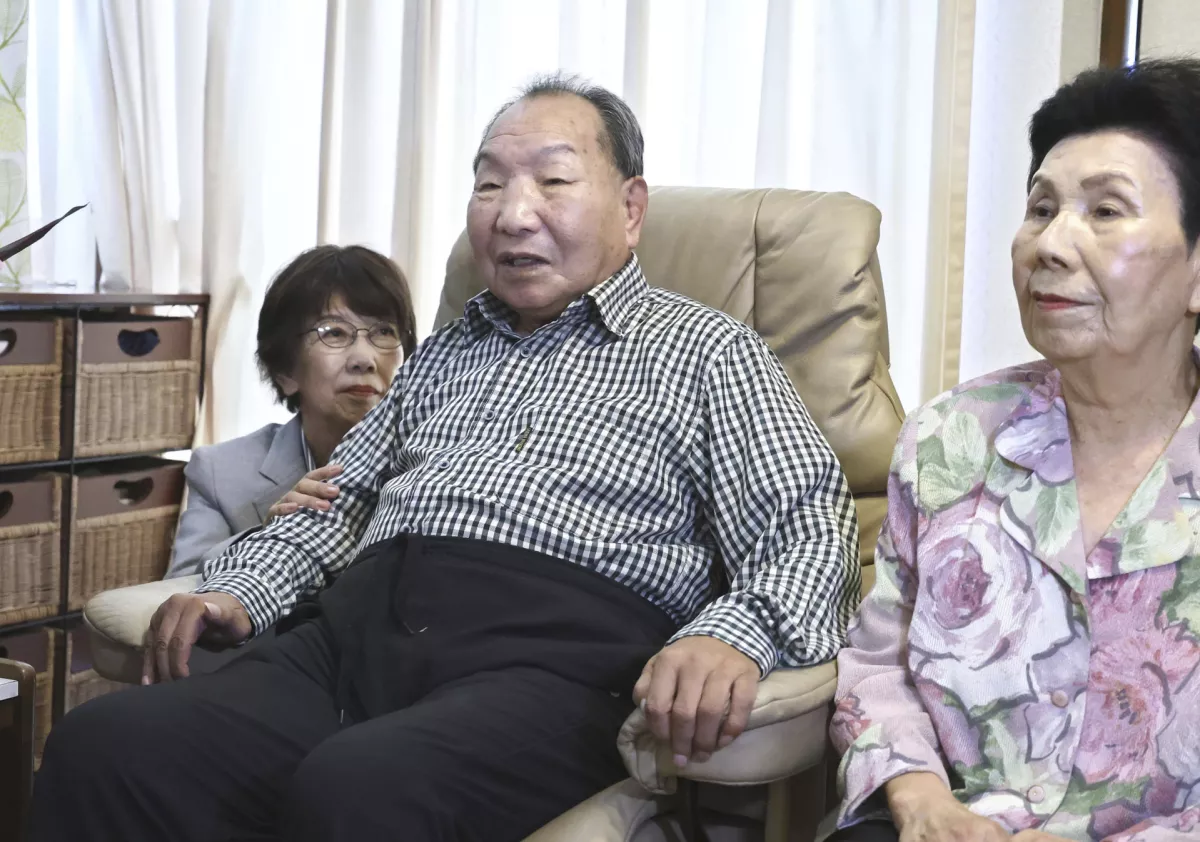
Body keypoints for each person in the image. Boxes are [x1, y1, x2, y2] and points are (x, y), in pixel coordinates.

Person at [28, 74, 858, 842]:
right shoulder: (444, 353)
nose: (512, 211)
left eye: (553, 180)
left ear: (631, 207)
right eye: (489, 182)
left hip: (553, 670)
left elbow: (810, 529)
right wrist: (240, 589)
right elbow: (343, 504)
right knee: (106, 747)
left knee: (359, 788)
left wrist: (733, 636)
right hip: (355, 640)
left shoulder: (709, 352)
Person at [830, 58, 1200, 842]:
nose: (1050, 245)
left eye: (1105, 212)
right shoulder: (951, 437)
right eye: (1040, 209)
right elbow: (875, 666)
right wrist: (920, 797)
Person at [166, 244, 417, 580]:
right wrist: (268, 540)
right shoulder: (221, 473)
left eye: (384, 332)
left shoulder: (429, 461)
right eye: (334, 333)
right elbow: (178, 590)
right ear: (285, 371)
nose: (365, 358)